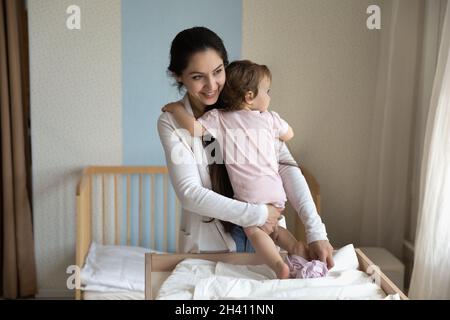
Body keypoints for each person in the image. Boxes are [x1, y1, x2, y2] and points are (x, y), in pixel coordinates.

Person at [157, 26, 334, 269]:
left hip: (270, 238)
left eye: (218, 72)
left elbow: (287, 168)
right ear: (179, 76)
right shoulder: (171, 122)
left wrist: (316, 231)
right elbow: (190, 194)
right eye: (198, 77)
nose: (211, 86)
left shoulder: (249, 107)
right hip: (213, 247)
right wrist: (258, 214)